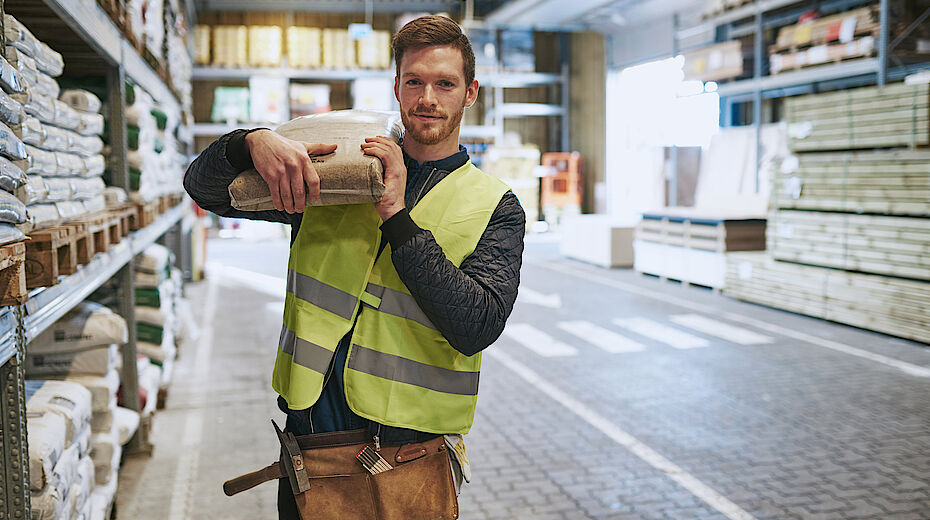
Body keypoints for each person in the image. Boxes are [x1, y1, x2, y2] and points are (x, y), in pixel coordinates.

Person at [184, 14, 525, 518]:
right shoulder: (338, 174)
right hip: (313, 450)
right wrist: (250, 141)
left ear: (470, 92)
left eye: (445, 83)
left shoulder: (495, 205)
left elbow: (475, 325)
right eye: (415, 82)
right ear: (397, 87)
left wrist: (396, 216)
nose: (427, 98)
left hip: (410, 458)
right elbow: (205, 189)